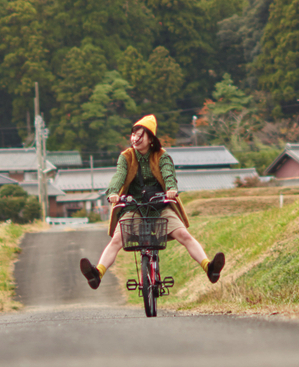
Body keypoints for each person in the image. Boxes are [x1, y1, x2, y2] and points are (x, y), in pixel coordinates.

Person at [79, 115, 225, 290]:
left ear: (150, 139)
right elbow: (118, 177)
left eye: (140, 135)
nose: (136, 139)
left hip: (160, 206)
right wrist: (113, 193)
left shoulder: (161, 156)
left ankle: (209, 268)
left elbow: (168, 174)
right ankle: (97, 274)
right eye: (134, 135)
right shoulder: (126, 157)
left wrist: (171, 189)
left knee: (184, 235)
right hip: (134, 207)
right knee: (117, 240)